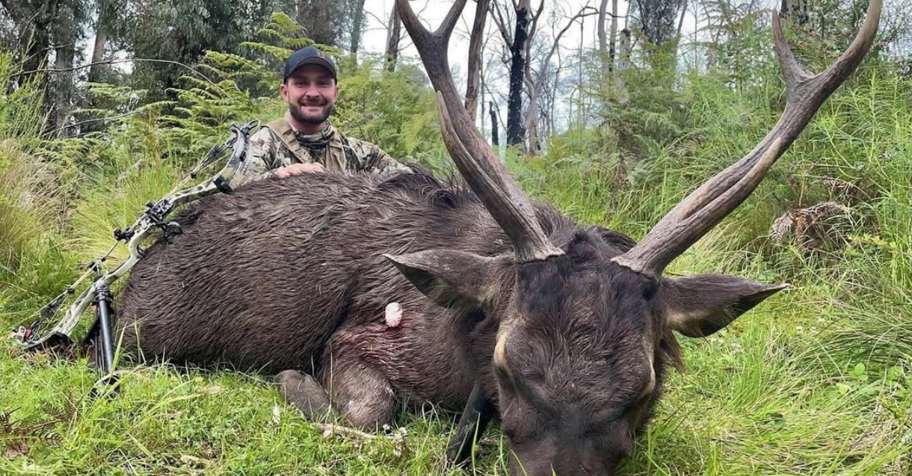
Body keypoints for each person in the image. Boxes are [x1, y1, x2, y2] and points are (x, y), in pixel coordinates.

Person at [232, 46, 410, 187]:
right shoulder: (259, 146)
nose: (313, 93)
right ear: (285, 92)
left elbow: (412, 181)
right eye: (301, 83)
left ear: (336, 93)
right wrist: (276, 178)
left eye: (323, 83)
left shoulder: (359, 153)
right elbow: (230, 199)